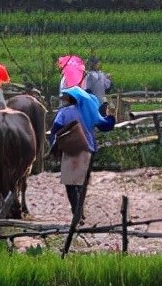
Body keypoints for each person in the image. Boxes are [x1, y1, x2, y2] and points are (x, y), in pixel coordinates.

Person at [47, 86, 116, 222]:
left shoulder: (64, 112)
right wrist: (111, 116)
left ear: (70, 99)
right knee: (81, 183)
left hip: (69, 150)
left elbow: (55, 130)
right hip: (87, 149)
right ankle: (80, 211)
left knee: (70, 184)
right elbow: (105, 126)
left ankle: (76, 213)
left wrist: (54, 146)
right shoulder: (88, 112)